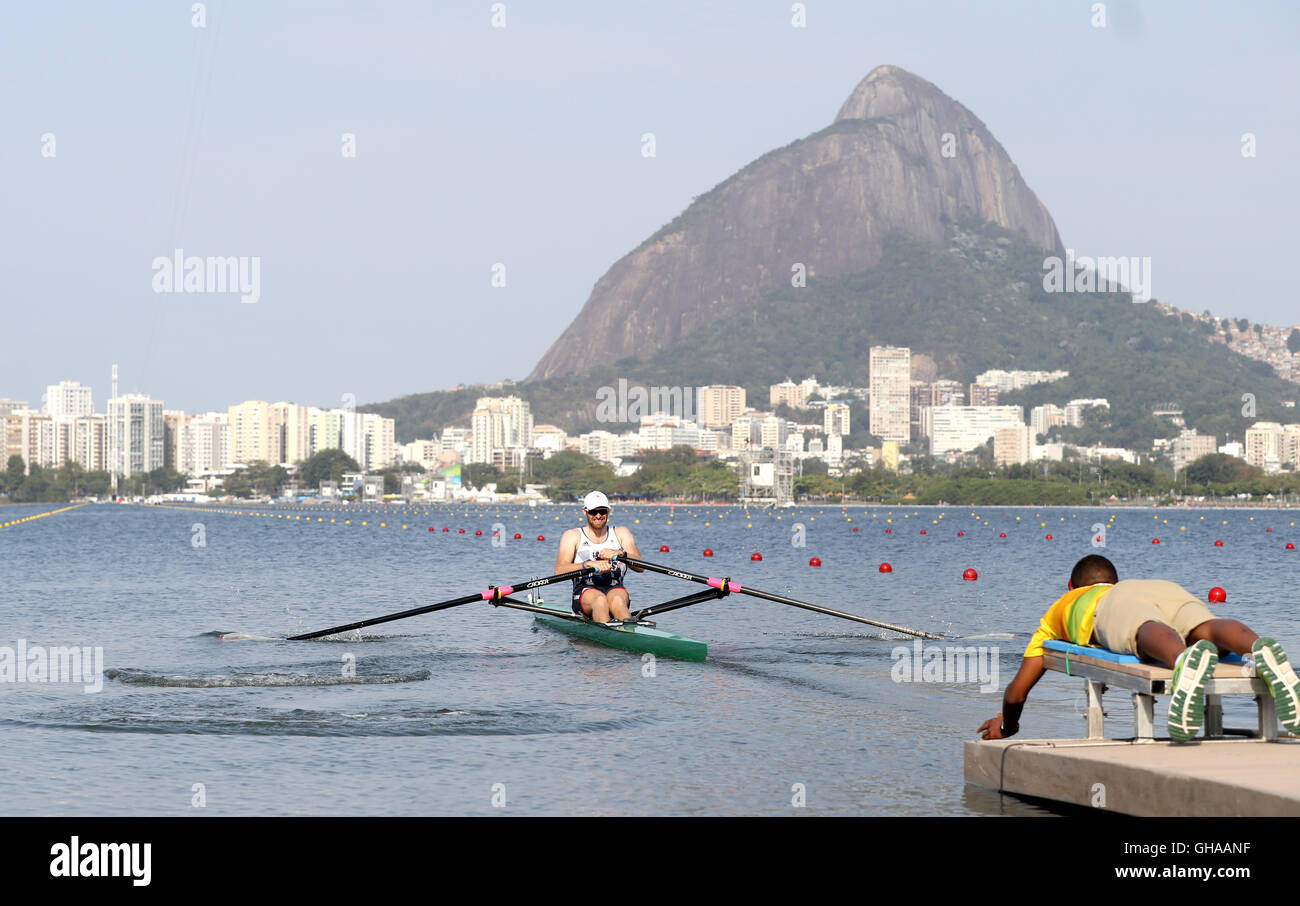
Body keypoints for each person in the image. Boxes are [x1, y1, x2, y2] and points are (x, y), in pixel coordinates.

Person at [978, 554, 1300, 743]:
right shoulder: (1131, 586)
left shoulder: (1064, 606)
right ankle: (1259, 650)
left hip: (1116, 605)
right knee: (1205, 627)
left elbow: (1016, 693)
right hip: (1166, 588)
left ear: (1072, 587)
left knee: (1142, 629)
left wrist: (1008, 725)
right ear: (1113, 580)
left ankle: (1182, 661)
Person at [554, 491, 644, 625]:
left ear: (608, 511)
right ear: (585, 511)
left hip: (615, 589)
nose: (598, 516)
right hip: (585, 592)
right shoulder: (572, 536)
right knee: (600, 600)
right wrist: (587, 565)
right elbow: (559, 571)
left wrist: (621, 554)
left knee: (618, 601)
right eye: (593, 512)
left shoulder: (621, 533)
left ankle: (631, 637)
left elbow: (641, 567)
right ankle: (610, 638)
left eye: (602, 511)